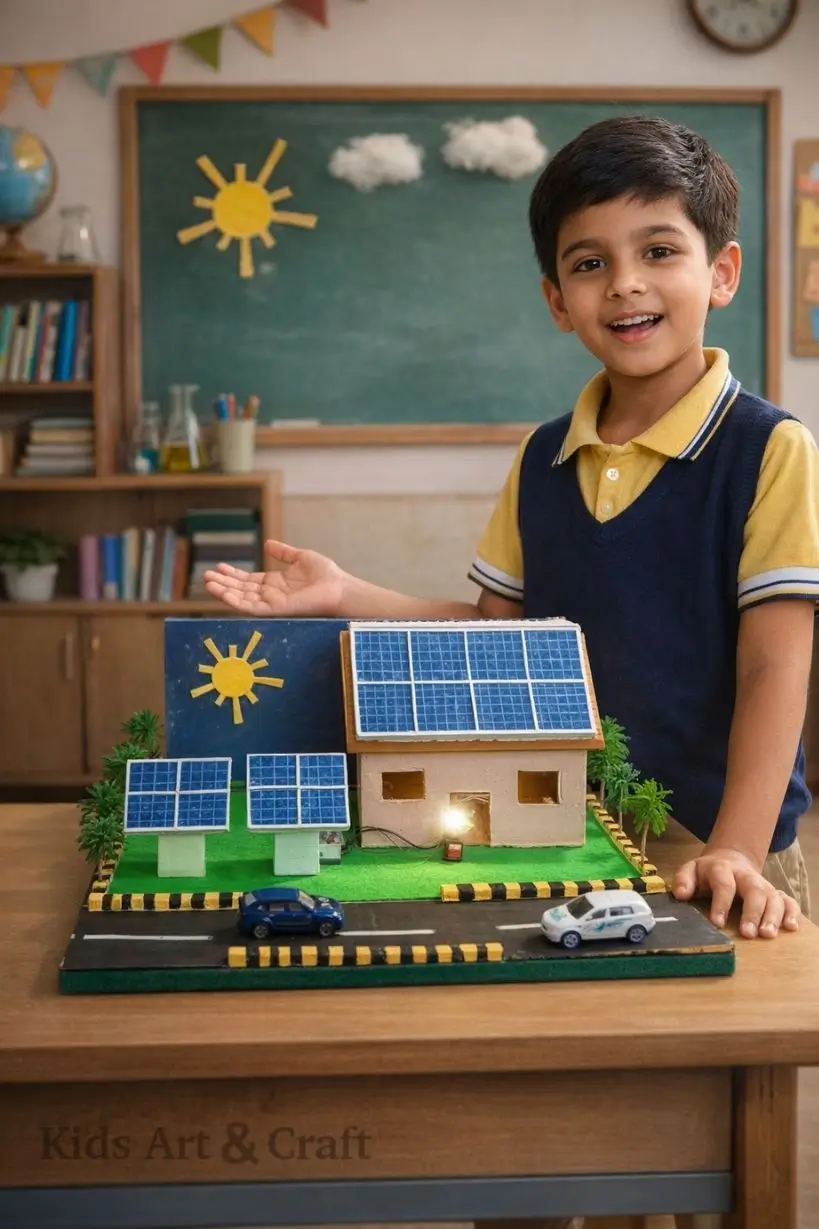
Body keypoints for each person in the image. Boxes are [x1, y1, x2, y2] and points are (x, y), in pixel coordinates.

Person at [206, 114, 819, 946]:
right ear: (556, 301)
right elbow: (501, 634)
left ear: (721, 272)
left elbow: (773, 663)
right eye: (589, 263)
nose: (625, 284)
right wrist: (344, 592)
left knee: (717, 1062)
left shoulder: (768, 449)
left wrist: (736, 847)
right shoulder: (542, 457)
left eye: (658, 251)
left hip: (715, 856)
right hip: (570, 836)